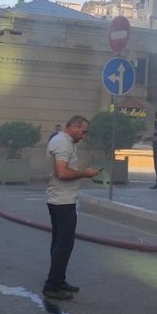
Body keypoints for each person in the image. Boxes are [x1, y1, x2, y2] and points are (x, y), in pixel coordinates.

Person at [43, 115, 101, 300]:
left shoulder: (63, 141)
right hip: (62, 201)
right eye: (83, 131)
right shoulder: (62, 143)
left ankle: (59, 280)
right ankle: (52, 286)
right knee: (63, 245)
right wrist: (85, 173)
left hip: (61, 199)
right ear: (74, 127)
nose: (84, 136)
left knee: (59, 243)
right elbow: (62, 172)